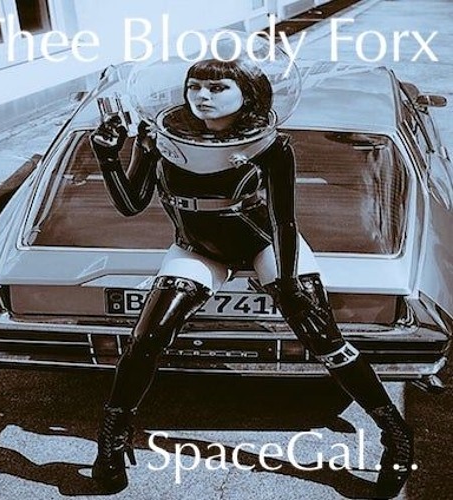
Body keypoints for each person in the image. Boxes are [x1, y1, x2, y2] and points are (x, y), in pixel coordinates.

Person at [89, 57, 413, 498]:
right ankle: (111, 439)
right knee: (147, 338)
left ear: (247, 94)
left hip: (264, 243)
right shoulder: (160, 136)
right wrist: (108, 157)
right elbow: (131, 204)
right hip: (197, 247)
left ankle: (394, 432)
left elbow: (284, 221)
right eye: (195, 86)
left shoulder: (271, 145)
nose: (203, 96)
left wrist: (288, 282)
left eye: (218, 87)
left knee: (323, 336)